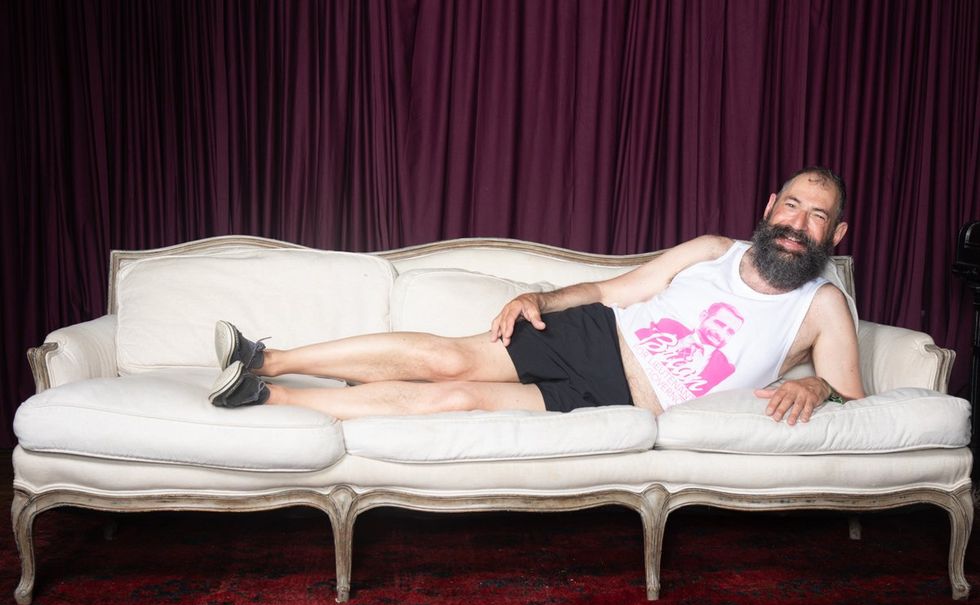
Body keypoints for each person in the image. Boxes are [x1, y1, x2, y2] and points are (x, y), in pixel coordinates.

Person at [209, 166, 864, 425]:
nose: (797, 222)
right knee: (447, 360)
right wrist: (540, 300)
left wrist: (818, 386)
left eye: (817, 216)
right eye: (792, 205)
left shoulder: (822, 306)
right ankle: (267, 357)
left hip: (616, 401)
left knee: (457, 399)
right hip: (595, 336)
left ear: (834, 234)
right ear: (769, 207)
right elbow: (610, 287)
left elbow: (853, 398)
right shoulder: (710, 250)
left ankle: (264, 397)